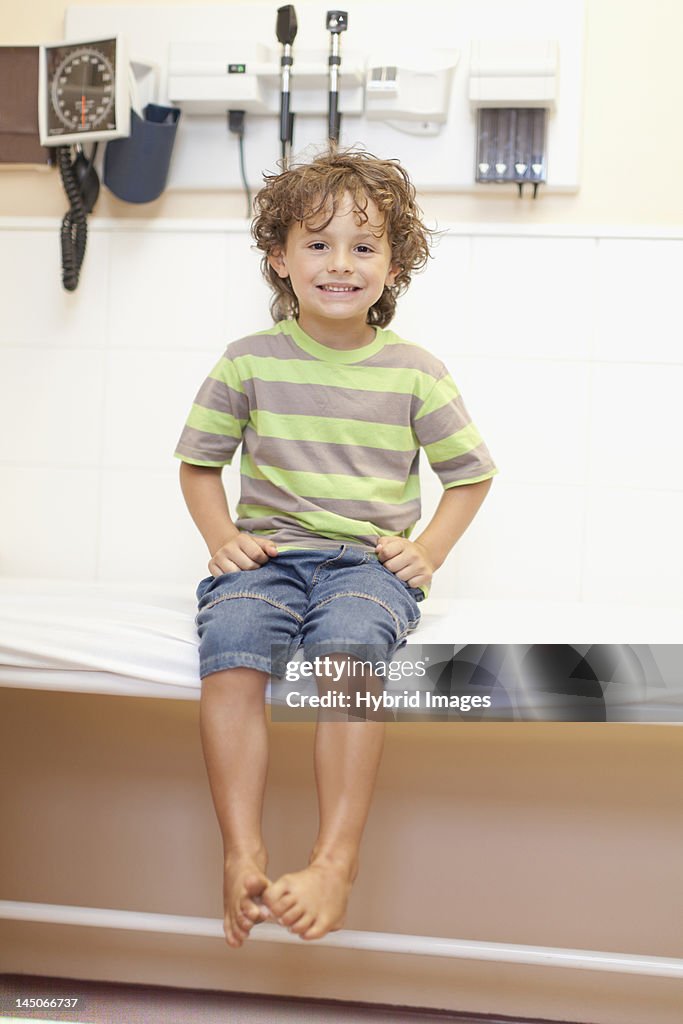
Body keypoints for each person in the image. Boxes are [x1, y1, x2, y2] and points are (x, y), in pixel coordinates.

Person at [175, 148, 497, 949]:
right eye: (317, 244)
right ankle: (241, 850)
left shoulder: (416, 374)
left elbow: (470, 476)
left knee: (351, 646)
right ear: (279, 259)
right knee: (233, 640)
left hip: (364, 562)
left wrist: (429, 551)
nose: (340, 264)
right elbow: (197, 464)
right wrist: (222, 538)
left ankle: (335, 859)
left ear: (394, 266)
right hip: (271, 558)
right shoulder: (247, 361)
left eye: (364, 246)